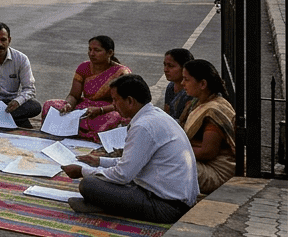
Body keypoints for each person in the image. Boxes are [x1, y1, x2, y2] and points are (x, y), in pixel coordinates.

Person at [62, 74, 198, 223]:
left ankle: (106, 206)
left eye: (115, 100)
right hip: (173, 199)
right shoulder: (155, 115)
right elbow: (132, 161)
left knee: (89, 185)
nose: (113, 105)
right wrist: (99, 161)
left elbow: (123, 175)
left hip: (166, 206)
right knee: (101, 181)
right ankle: (108, 204)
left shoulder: (143, 126)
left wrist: (82, 171)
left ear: (130, 101)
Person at [41, 35, 131, 140]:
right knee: (50, 105)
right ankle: (71, 130)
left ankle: (86, 134)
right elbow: (74, 95)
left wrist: (100, 110)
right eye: (90, 49)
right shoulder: (83, 67)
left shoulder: (121, 72)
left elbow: (124, 103)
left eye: (97, 50)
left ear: (110, 53)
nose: (91, 54)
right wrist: (68, 105)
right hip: (84, 108)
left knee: (115, 117)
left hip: (107, 110)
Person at [179, 60, 236, 195]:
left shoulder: (213, 111)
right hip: (203, 163)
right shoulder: (198, 103)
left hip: (216, 171)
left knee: (168, 165)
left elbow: (208, 152)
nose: (182, 83)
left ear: (203, 84)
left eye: (186, 79)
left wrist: (176, 151)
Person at [162, 48, 195, 121]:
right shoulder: (171, 87)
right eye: (165, 65)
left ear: (184, 68)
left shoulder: (190, 93)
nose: (165, 69)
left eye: (170, 66)